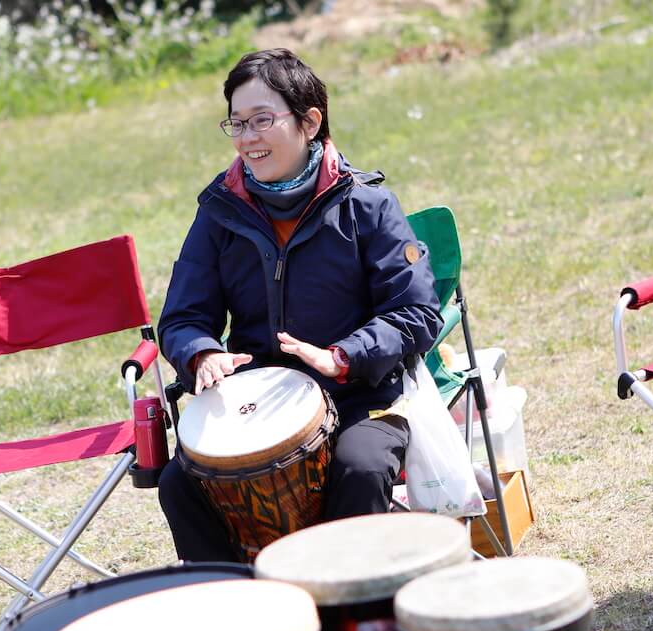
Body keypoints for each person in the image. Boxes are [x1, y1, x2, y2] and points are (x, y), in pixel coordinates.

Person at [157, 48, 443, 561]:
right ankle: (244, 617)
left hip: (361, 393)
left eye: (262, 120)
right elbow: (182, 316)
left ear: (310, 121)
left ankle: (348, 616)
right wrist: (201, 353)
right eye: (237, 124)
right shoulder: (220, 213)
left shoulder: (367, 204)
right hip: (256, 397)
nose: (247, 138)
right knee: (181, 482)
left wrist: (344, 356)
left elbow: (417, 312)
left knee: (358, 468)